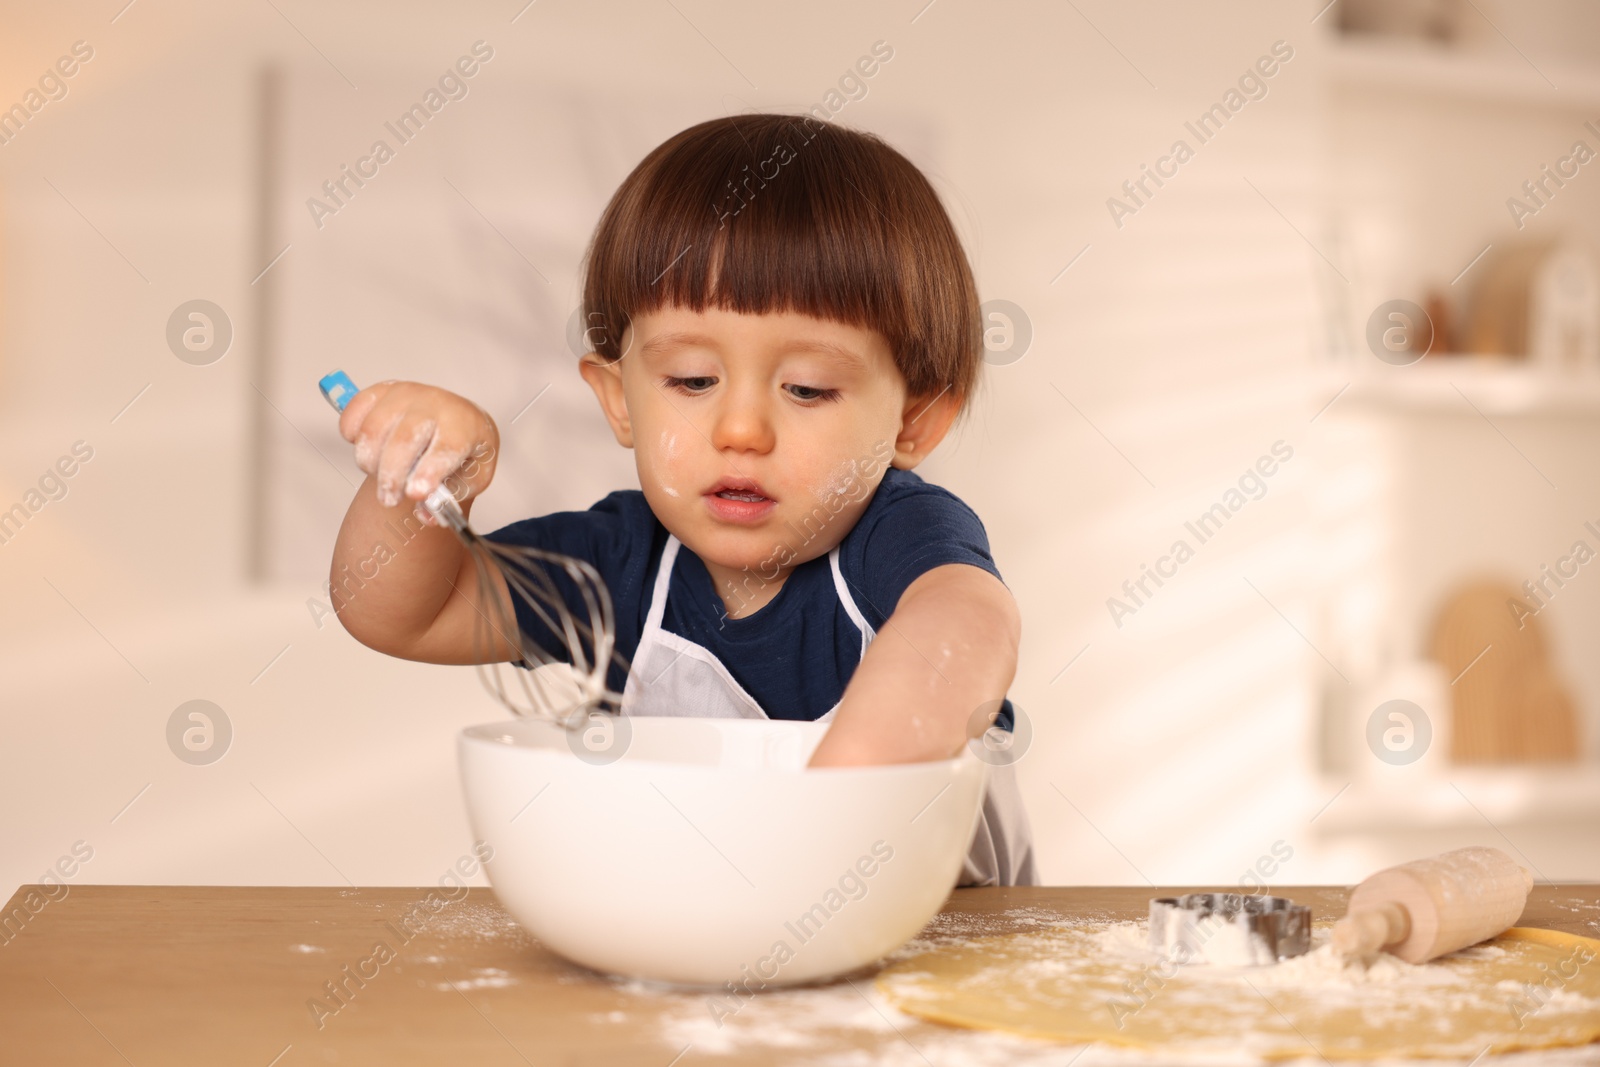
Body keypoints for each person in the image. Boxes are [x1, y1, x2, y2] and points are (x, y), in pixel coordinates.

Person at [329, 114, 1035, 886]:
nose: (740, 429)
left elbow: (967, 623)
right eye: (693, 380)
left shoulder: (898, 536)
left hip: (929, 967)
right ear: (619, 399)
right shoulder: (620, 562)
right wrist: (417, 485)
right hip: (694, 950)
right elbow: (404, 610)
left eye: (807, 388)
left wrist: (832, 813)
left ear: (913, 419)